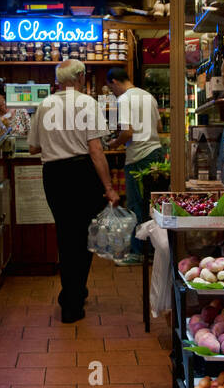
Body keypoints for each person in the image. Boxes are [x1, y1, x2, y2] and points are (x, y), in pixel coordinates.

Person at [29, 59, 120, 323]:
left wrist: (56, 139)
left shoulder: (44, 104)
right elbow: (95, 149)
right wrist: (109, 188)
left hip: (54, 175)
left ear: (59, 80)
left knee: (65, 234)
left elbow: (33, 147)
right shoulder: (86, 102)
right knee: (83, 238)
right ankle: (72, 300)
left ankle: (72, 292)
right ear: (80, 77)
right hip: (81, 173)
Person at [107, 66, 163, 265]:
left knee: (135, 205)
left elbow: (128, 132)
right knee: (153, 205)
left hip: (138, 157)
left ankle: (138, 253)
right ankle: (156, 251)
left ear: (114, 82)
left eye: (111, 89)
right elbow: (159, 127)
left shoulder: (124, 99)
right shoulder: (149, 96)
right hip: (156, 153)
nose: (113, 93)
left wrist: (114, 143)